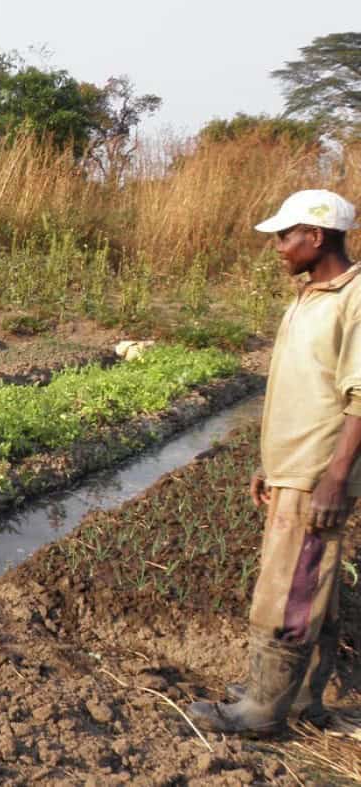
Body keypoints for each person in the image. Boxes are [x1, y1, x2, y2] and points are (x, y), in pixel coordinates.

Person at [186, 189, 357, 736]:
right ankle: (300, 696)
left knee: (288, 590)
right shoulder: (311, 295)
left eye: (285, 237)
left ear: (316, 236)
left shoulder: (355, 298)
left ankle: (261, 711)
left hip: (316, 474)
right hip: (295, 468)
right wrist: (269, 462)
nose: (278, 248)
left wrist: (332, 477)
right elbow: (300, 387)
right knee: (313, 590)